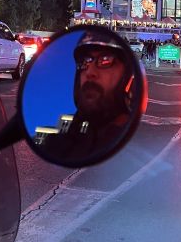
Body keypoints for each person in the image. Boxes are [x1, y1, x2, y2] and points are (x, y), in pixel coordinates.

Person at [39, 31, 135, 162]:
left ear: (126, 75)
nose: (89, 72)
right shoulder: (60, 144)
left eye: (105, 60)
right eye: (85, 62)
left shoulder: (125, 139)